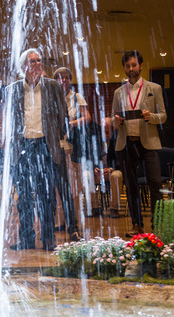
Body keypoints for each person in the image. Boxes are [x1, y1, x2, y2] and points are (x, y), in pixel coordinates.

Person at [8, 48, 67, 251]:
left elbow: (62, 116)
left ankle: (48, 238)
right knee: (24, 197)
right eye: (32, 62)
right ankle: (26, 239)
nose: (37, 64)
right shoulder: (13, 89)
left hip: (44, 145)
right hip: (23, 146)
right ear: (23, 67)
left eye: (39, 61)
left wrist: (54, 137)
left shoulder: (53, 87)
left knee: (46, 197)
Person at [112, 50, 167, 237]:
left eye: (134, 65)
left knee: (155, 185)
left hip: (149, 143)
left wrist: (150, 116)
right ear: (125, 68)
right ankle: (136, 225)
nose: (131, 69)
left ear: (141, 66)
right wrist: (116, 121)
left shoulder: (155, 88)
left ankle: (157, 225)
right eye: (128, 66)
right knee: (132, 187)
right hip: (126, 143)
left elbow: (164, 117)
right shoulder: (118, 92)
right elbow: (113, 118)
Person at [53, 67, 101, 218]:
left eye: (67, 77)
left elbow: (87, 118)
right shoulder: (51, 97)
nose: (64, 80)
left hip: (72, 146)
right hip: (56, 145)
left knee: (73, 185)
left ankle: (75, 219)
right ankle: (60, 220)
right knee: (57, 186)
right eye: (60, 77)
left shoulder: (76, 97)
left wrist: (71, 123)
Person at [95, 117, 124, 218]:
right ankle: (95, 208)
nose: (105, 134)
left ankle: (114, 208)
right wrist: (95, 168)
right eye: (104, 131)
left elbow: (122, 160)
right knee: (87, 174)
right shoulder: (96, 140)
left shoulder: (119, 139)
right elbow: (90, 157)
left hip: (114, 170)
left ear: (112, 129)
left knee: (116, 176)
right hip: (99, 172)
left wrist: (111, 169)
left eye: (107, 131)